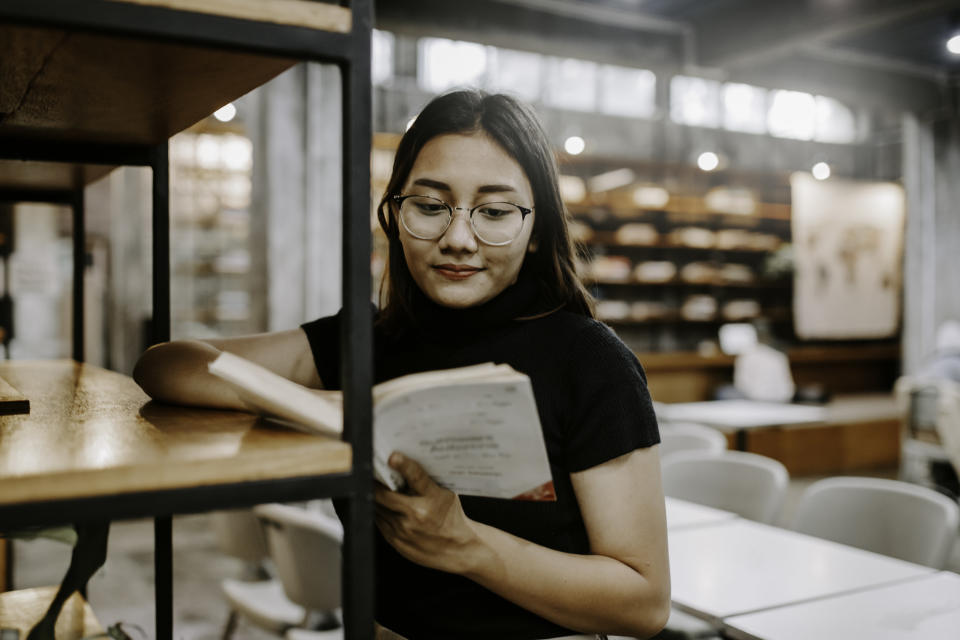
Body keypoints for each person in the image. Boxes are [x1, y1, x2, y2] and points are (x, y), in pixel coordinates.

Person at [134, 90, 670, 640]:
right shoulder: (365, 341)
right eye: (431, 206)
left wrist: (466, 545)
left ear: (536, 231)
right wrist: (345, 408)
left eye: (495, 211)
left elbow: (644, 604)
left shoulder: (590, 362)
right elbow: (167, 367)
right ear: (395, 214)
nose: (458, 239)